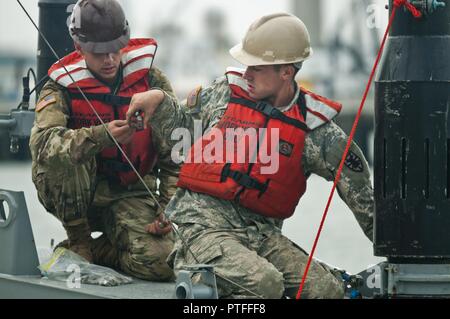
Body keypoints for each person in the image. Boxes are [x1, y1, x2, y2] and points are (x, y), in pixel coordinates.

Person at [127, 13, 374, 297]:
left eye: (256, 68)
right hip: (202, 228)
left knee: (325, 290)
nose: (246, 74)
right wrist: (158, 99)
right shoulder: (224, 93)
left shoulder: (318, 133)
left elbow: (364, 202)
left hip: (261, 235)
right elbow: (182, 125)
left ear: (286, 72)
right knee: (265, 284)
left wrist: (407, 257)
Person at [30, 0, 178, 282]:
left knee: (162, 264)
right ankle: (79, 242)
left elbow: (177, 151)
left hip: (131, 193)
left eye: (115, 49)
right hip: (78, 197)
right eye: (99, 52)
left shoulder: (151, 82)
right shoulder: (59, 87)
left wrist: (168, 207)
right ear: (79, 48)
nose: (109, 59)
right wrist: (101, 136)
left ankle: (96, 252)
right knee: (65, 153)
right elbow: (43, 146)